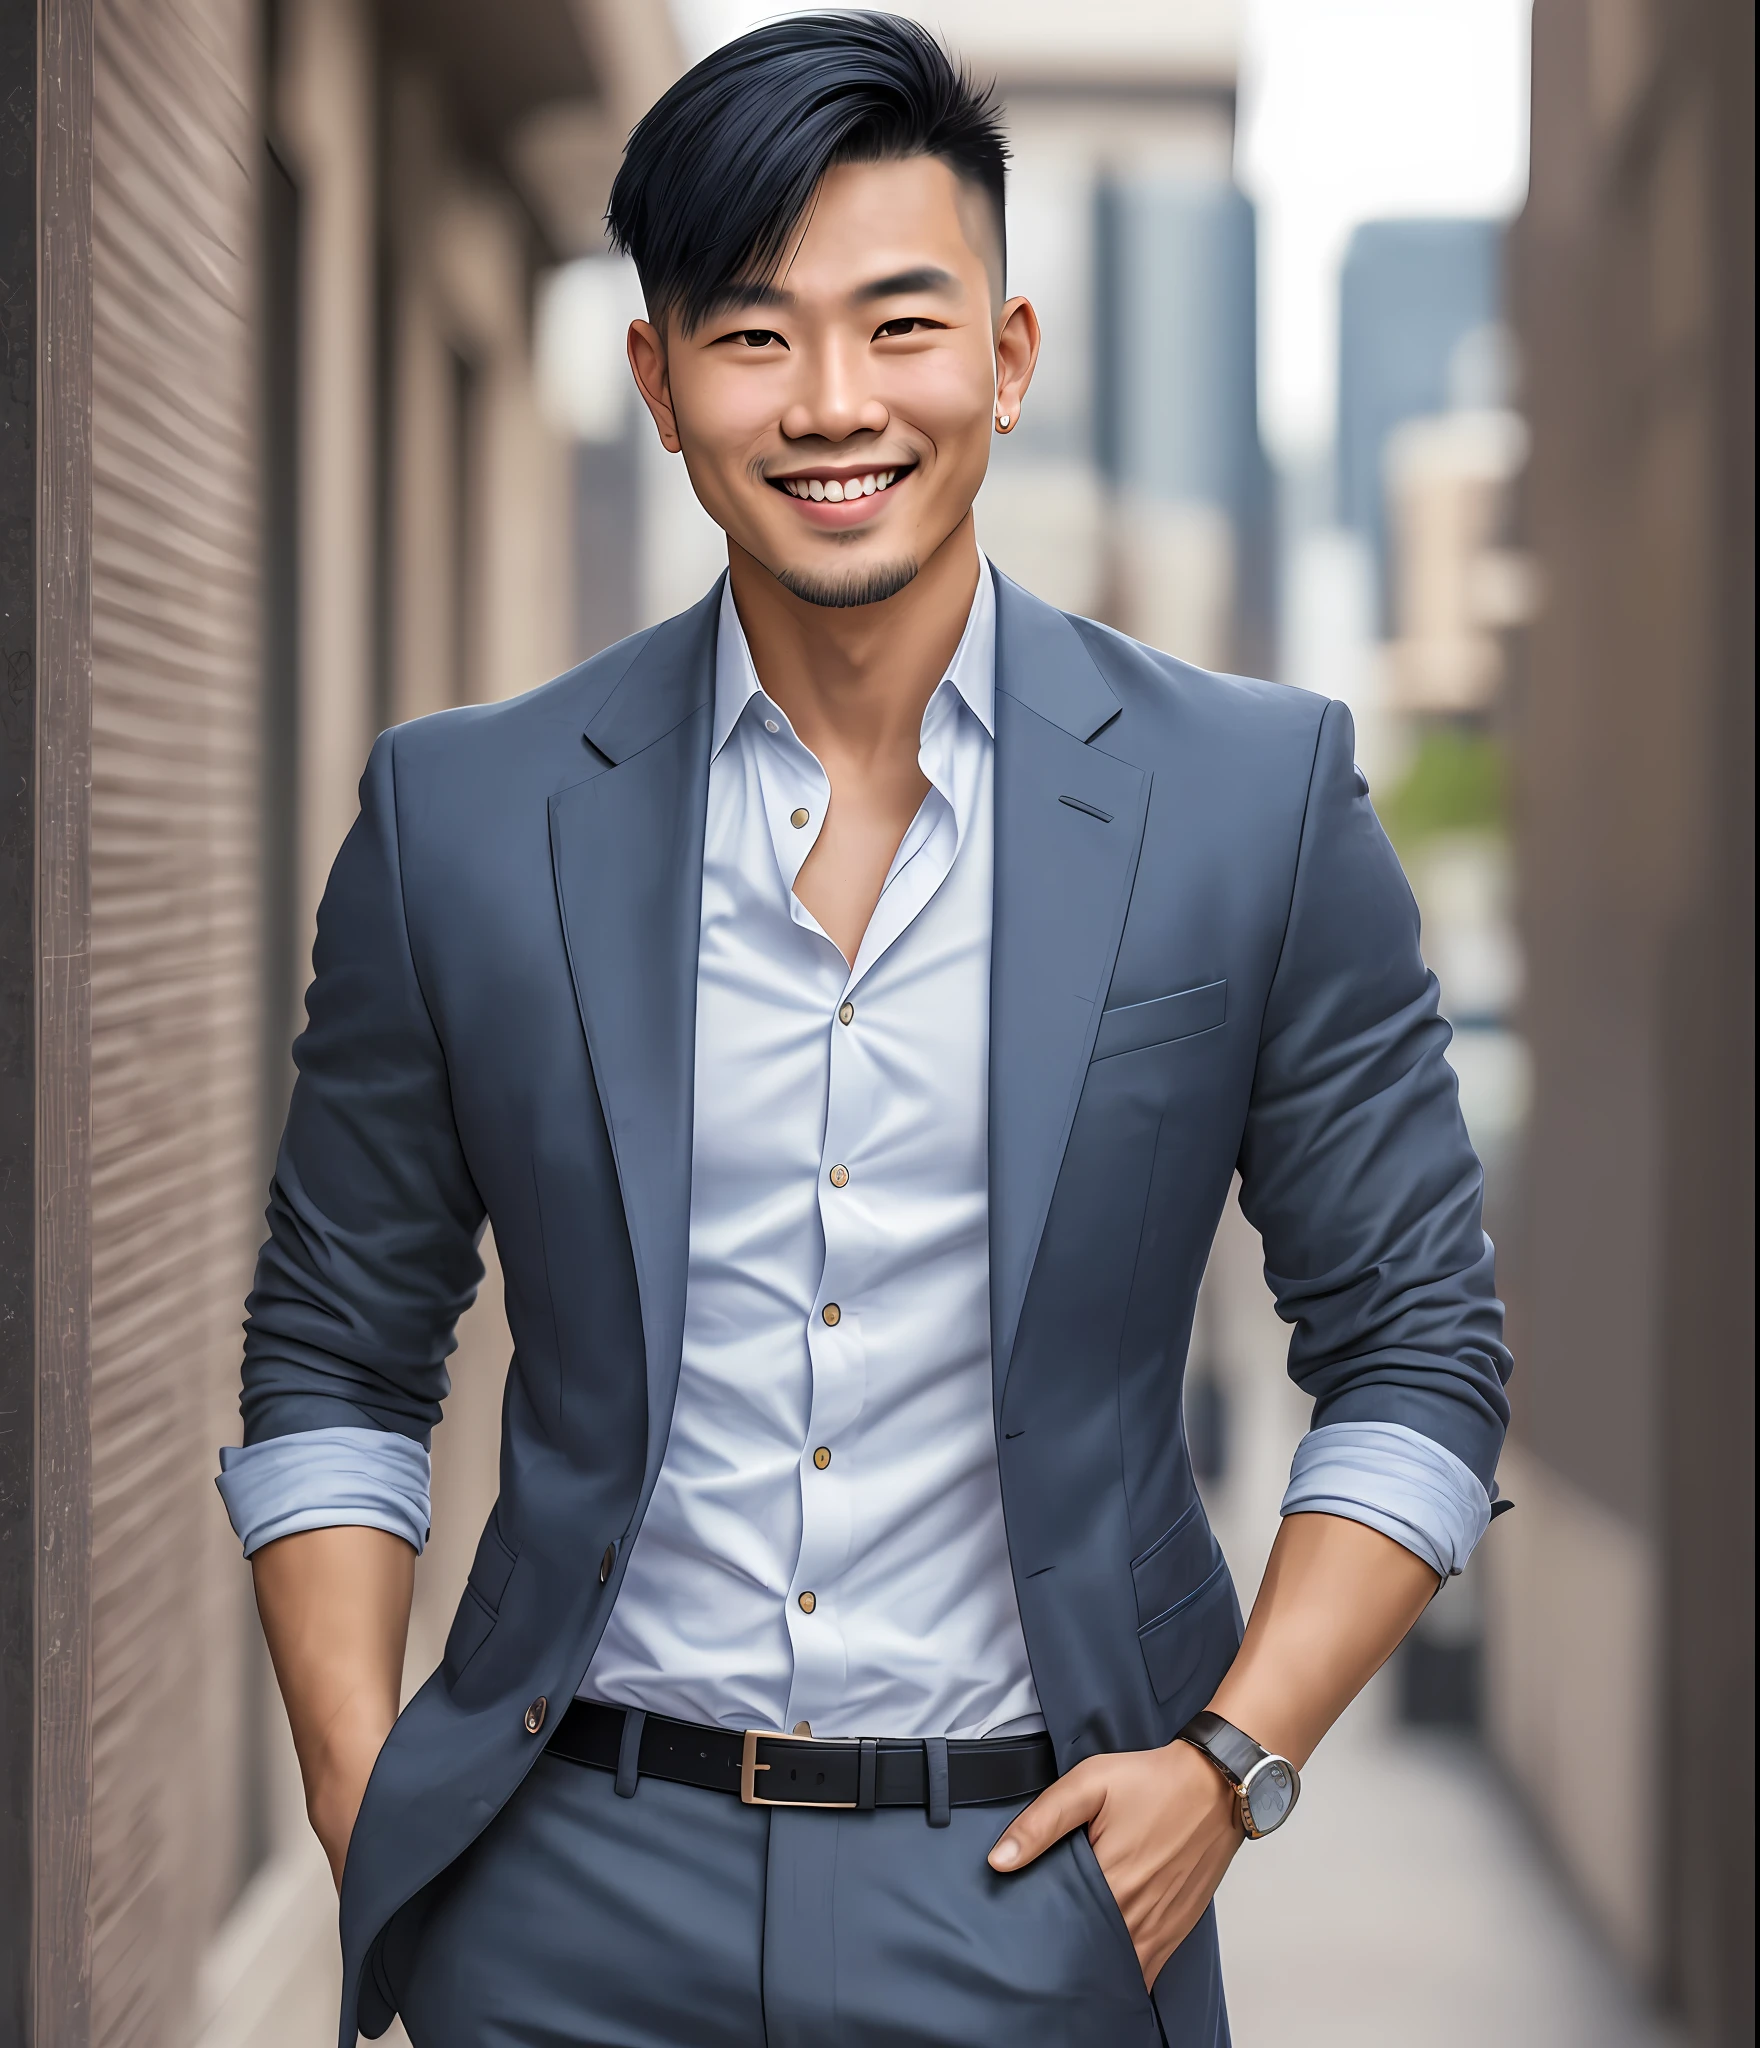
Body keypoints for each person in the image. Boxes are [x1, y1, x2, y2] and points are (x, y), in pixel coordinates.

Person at [218, 15, 1511, 2046]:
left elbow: (1421, 1345)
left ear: (1003, 355)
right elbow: (335, 1340)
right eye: (751, 336)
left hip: (1039, 1891)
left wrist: (1232, 1765)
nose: (834, 404)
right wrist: (360, 1782)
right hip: (567, 1885)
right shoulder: (462, 820)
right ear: (656, 383)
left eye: (898, 325)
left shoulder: (1250, 801)